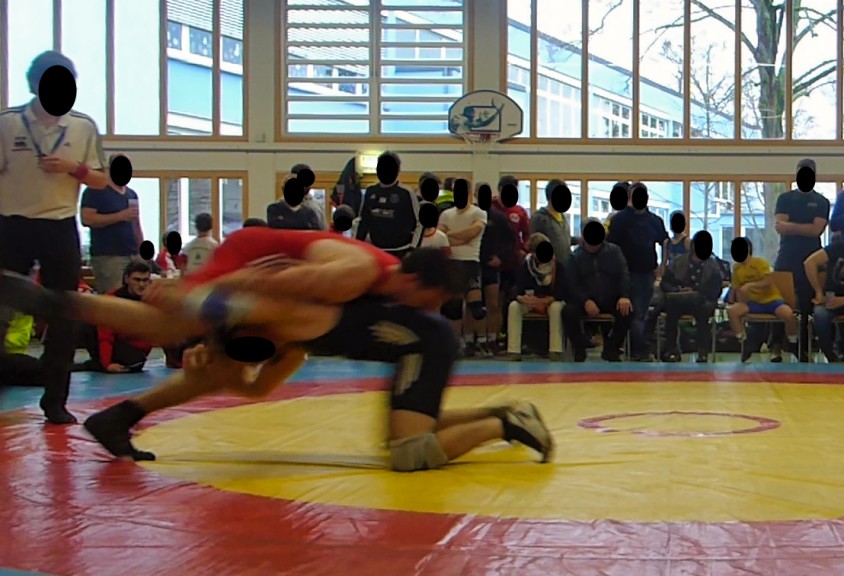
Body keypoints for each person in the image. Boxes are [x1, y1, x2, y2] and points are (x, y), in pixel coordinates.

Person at [0, 251, 555, 471]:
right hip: (401, 339)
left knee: (411, 454)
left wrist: (190, 296)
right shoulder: (292, 328)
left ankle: (505, 424)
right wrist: (214, 345)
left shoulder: (288, 313)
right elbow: (253, 387)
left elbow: (195, 317)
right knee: (193, 341)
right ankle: (506, 411)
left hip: (424, 346)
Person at [0, 50, 108, 424]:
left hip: (59, 226)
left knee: (65, 313)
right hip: (11, 224)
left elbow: (101, 179)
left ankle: (56, 400)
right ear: (35, 85)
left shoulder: (82, 126)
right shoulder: (8, 123)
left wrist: (73, 168)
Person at [769, 158, 829, 362]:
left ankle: (802, 347)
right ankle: (776, 346)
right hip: (786, 258)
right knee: (779, 301)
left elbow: (816, 230)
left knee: (805, 305)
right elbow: (780, 226)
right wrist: (804, 228)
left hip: (811, 260)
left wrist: (791, 227)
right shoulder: (785, 198)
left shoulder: (821, 201)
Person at [606, 182, 668, 361]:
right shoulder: (619, 220)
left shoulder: (654, 220)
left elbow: (665, 242)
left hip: (647, 274)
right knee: (635, 314)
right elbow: (611, 246)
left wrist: (662, 266)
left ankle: (637, 349)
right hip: (626, 273)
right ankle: (639, 350)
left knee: (641, 313)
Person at [563, 220, 633, 362]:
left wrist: (624, 296)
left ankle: (612, 348)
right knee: (568, 312)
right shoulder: (574, 257)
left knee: (627, 311)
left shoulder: (614, 252)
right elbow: (572, 284)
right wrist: (585, 300)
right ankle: (579, 348)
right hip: (586, 299)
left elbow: (623, 274)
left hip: (611, 298)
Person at [80, 152, 144, 293]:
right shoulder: (95, 191)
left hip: (132, 254)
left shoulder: (131, 194)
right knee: (114, 295)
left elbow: (136, 224)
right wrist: (119, 216)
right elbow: (87, 219)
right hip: (109, 256)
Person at [727, 239, 797, 363]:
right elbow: (736, 287)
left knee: (789, 315)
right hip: (753, 303)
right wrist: (732, 299)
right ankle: (744, 343)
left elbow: (768, 281)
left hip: (771, 300)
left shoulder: (760, 263)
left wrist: (750, 285)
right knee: (732, 312)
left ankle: (792, 343)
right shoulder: (736, 268)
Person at [657, 235, 722, 363]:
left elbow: (715, 290)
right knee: (671, 313)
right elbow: (665, 283)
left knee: (704, 315)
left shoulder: (713, 266)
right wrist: (678, 290)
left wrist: (697, 292)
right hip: (679, 299)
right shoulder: (678, 261)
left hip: (701, 300)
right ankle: (671, 350)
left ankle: (702, 352)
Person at [507, 233, 566, 361]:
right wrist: (522, 298)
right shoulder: (526, 266)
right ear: (533, 253)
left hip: (550, 302)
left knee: (556, 308)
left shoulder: (558, 266)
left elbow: (561, 293)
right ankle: (513, 350)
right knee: (514, 307)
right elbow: (517, 289)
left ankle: (555, 350)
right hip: (531, 302)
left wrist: (543, 301)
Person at [804, 242, 844, 362]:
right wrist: (818, 292)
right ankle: (830, 355)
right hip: (830, 298)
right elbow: (809, 262)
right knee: (821, 315)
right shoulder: (837, 247)